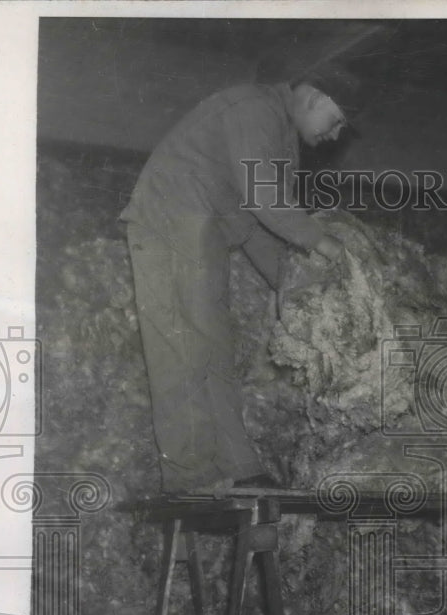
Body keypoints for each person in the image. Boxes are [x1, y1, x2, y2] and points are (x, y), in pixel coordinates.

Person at [121, 60, 357, 493]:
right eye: (338, 120)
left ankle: (240, 468)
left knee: (213, 347)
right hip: (169, 221)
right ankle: (191, 478)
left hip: (200, 229)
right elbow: (264, 199)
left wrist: (294, 286)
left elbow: (256, 225)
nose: (337, 134)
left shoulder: (282, 139)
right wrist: (323, 244)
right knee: (185, 348)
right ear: (314, 97)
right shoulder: (255, 109)